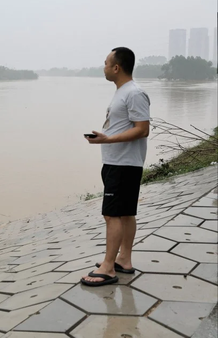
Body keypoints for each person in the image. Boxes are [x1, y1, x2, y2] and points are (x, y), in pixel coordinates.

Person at [81, 47, 151, 287]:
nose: (104, 67)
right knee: (125, 213)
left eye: (106, 63)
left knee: (111, 215)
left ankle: (108, 267)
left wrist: (107, 139)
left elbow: (142, 129)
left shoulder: (134, 93)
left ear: (116, 67)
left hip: (122, 164)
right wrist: (105, 135)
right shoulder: (123, 92)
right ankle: (124, 260)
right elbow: (124, 125)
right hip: (118, 162)